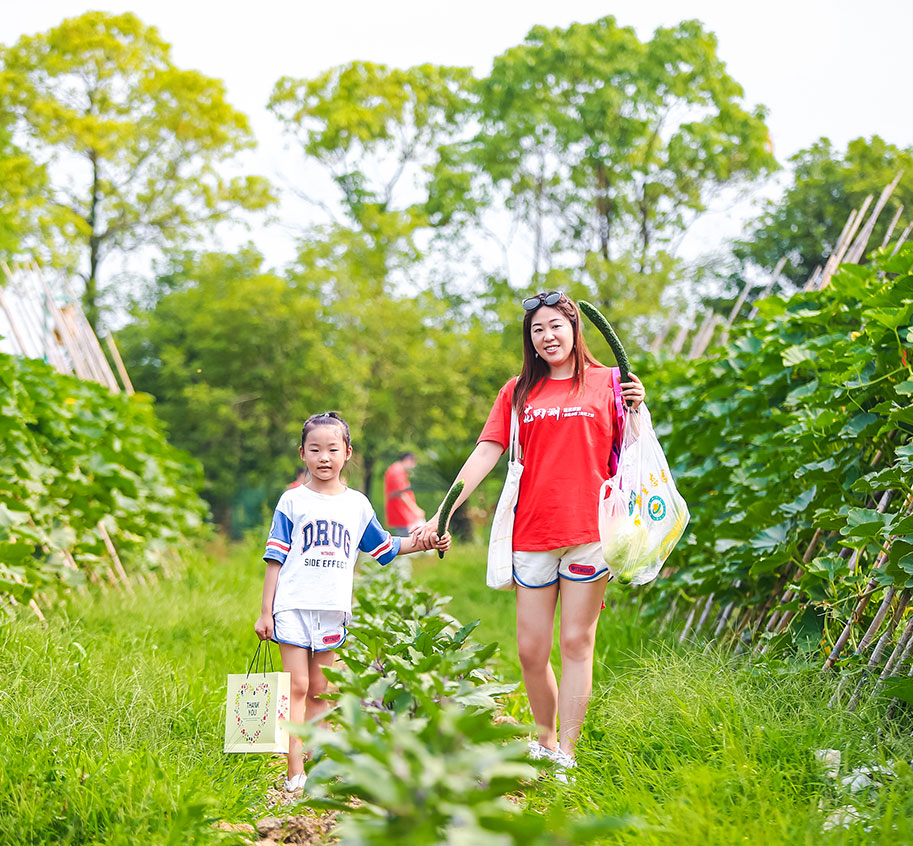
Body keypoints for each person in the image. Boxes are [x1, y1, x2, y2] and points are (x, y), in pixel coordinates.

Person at [413, 291, 644, 782]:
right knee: (530, 650)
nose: (548, 336)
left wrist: (640, 408)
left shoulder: (610, 382)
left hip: (590, 533)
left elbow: (638, 452)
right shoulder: (517, 393)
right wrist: (443, 512)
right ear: (530, 340)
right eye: (538, 330)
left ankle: (567, 751)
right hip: (532, 533)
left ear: (575, 328)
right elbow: (485, 454)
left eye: (556, 326)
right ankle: (542, 739)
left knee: (577, 642)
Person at [254, 411, 450, 794]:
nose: (323, 457)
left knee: (322, 690)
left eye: (332, 449)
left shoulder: (357, 505)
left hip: (331, 610)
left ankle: (319, 766)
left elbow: (385, 547)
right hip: (291, 606)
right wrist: (266, 612)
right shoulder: (292, 501)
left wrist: (427, 540)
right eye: (315, 449)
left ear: (347, 453)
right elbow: (274, 559)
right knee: (296, 686)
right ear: (302, 453)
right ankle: (294, 773)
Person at [383, 452, 426, 533]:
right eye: (413, 464)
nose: (413, 467)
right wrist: (416, 510)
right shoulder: (397, 472)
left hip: (402, 515)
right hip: (404, 515)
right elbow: (402, 494)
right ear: (407, 460)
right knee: (414, 540)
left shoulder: (394, 470)